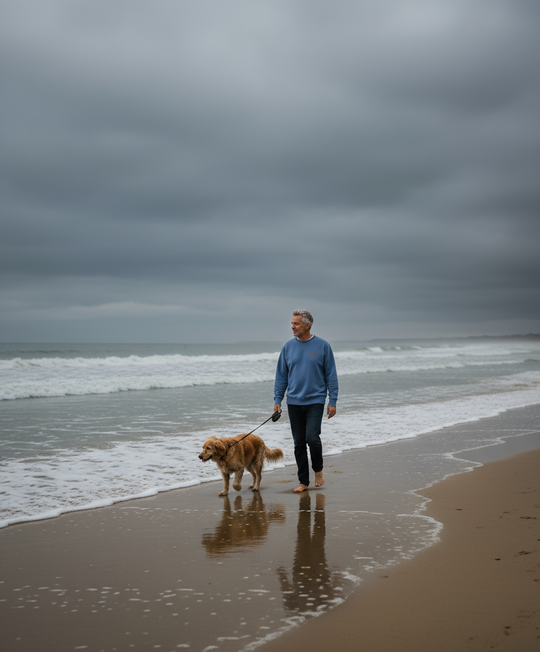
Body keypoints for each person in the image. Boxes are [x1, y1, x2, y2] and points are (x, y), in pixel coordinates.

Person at [273, 310, 338, 493]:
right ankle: (303, 481)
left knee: (312, 438)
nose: (292, 327)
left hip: (315, 401)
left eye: (296, 324)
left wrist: (332, 400)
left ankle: (318, 470)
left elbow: (331, 376)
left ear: (307, 325)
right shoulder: (287, 347)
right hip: (293, 402)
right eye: (292, 324)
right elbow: (281, 376)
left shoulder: (323, 346)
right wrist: (278, 399)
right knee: (299, 442)